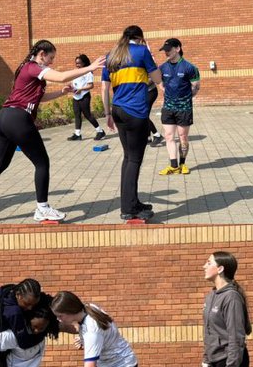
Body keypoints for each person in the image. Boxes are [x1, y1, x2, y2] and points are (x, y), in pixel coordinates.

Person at [0, 42, 106, 223]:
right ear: (42, 54)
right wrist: (91, 68)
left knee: (0, 163)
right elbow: (61, 77)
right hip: (18, 119)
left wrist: (61, 93)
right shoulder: (33, 67)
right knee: (42, 163)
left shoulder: (27, 69)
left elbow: (39, 97)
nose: (51, 62)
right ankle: (42, 209)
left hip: (5, 117)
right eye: (51, 58)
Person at [101, 26, 162, 221]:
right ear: (140, 38)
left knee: (128, 157)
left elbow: (104, 89)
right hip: (135, 111)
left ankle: (131, 202)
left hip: (118, 110)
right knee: (134, 160)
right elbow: (157, 78)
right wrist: (152, 60)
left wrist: (107, 113)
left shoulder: (111, 56)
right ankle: (129, 208)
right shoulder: (142, 51)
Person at [156, 38, 200, 175]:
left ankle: (182, 164)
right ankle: (173, 166)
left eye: (169, 50)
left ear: (178, 49)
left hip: (184, 109)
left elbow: (196, 87)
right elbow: (157, 80)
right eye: (165, 50)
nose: (166, 52)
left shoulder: (190, 68)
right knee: (169, 136)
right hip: (168, 108)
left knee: (183, 137)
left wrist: (186, 99)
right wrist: (163, 88)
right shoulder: (163, 67)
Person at [68, 53, 104, 141]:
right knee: (77, 115)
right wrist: (70, 86)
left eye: (79, 63)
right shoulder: (76, 71)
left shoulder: (88, 72)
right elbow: (73, 83)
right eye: (76, 63)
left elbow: (91, 85)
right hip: (76, 96)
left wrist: (81, 89)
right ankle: (77, 134)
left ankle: (100, 131)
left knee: (87, 115)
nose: (77, 65)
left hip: (84, 96)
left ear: (84, 63)